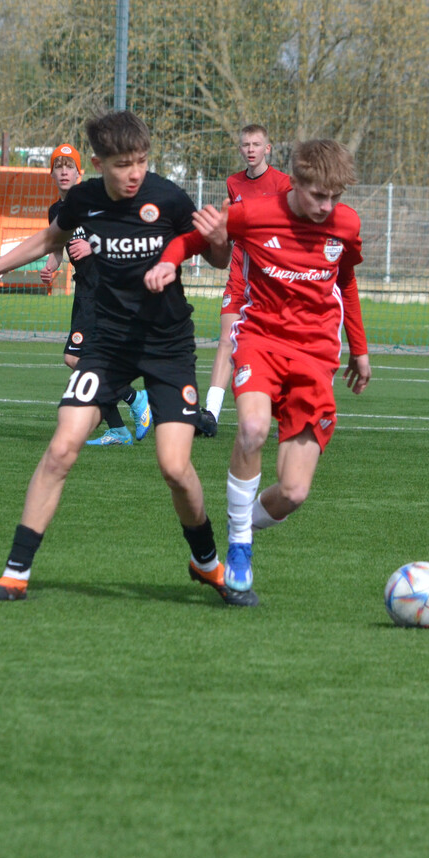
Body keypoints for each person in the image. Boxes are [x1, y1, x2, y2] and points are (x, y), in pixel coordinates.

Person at [0, 110, 257, 607]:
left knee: (175, 466)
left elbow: (217, 259)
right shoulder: (83, 200)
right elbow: (48, 240)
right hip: (107, 345)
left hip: (167, 343)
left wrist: (218, 236)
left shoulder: (170, 198)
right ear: (98, 162)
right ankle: (14, 575)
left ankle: (207, 563)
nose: (134, 173)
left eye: (141, 162)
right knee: (62, 448)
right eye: (123, 164)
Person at [145, 139, 372, 599]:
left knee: (293, 493)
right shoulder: (255, 212)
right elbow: (192, 239)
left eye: (335, 197)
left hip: (316, 356)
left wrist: (359, 349)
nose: (327, 207)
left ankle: (236, 521)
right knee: (251, 429)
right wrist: (169, 262)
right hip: (260, 340)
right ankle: (240, 547)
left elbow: (345, 280)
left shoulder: (345, 224)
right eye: (317, 196)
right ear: (296, 182)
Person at [41, 143, 151, 446]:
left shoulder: (94, 201)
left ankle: (135, 398)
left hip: (104, 288)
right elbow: (57, 250)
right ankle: (117, 428)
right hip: (85, 289)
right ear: (51, 173)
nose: (64, 171)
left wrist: (93, 246)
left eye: (69, 166)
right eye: (58, 166)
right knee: (91, 361)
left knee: (75, 358)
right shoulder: (55, 210)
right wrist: (50, 267)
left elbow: (122, 236)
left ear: (80, 172)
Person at [201, 124, 291, 435]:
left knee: (274, 343)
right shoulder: (233, 183)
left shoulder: (283, 184)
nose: (250, 149)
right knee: (227, 338)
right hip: (241, 271)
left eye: (256, 144)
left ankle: (284, 408)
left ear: (268, 148)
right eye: (245, 144)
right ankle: (210, 414)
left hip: (272, 276)